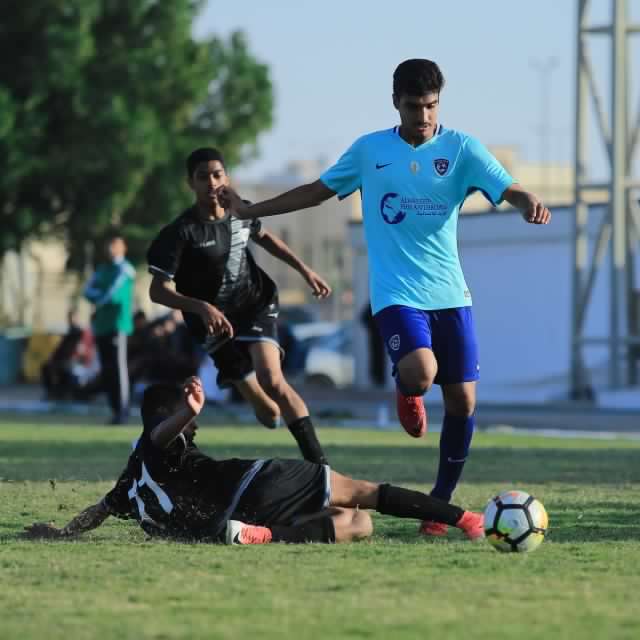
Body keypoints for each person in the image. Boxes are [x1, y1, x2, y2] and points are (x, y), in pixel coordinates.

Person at [217, 59, 551, 538]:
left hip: (451, 294)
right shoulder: (371, 150)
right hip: (396, 293)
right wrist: (251, 209)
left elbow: (509, 188)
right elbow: (315, 191)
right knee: (421, 371)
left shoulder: (461, 149)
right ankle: (406, 387)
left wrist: (528, 203)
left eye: (432, 106)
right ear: (396, 101)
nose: (424, 117)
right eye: (415, 107)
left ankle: (438, 505)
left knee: (462, 402)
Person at [24, 377, 484, 545]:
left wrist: (62, 532)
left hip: (228, 519)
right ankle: (465, 518)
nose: (195, 429)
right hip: (253, 481)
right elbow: (160, 433)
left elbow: (99, 511)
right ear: (167, 417)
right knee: (368, 493)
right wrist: (187, 412)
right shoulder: (157, 442)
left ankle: (264, 536)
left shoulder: (131, 482)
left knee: (358, 524)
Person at [146, 147, 331, 464]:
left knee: (273, 380)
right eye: (202, 177)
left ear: (226, 177)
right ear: (190, 183)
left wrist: (305, 270)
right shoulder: (179, 233)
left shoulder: (240, 213)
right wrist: (202, 307)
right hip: (210, 323)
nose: (211, 182)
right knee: (269, 414)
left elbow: (269, 239)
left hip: (253, 304)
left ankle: (321, 471)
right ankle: (243, 384)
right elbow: (158, 292)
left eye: (217, 174)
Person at [83, 234, 136, 424]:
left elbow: (112, 295)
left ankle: (123, 410)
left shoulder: (125, 270)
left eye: (114, 245)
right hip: (102, 326)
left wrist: (98, 298)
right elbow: (86, 291)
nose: (110, 249)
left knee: (118, 368)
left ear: (123, 248)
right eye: (108, 245)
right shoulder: (102, 269)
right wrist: (98, 297)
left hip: (118, 326)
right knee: (106, 369)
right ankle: (114, 410)